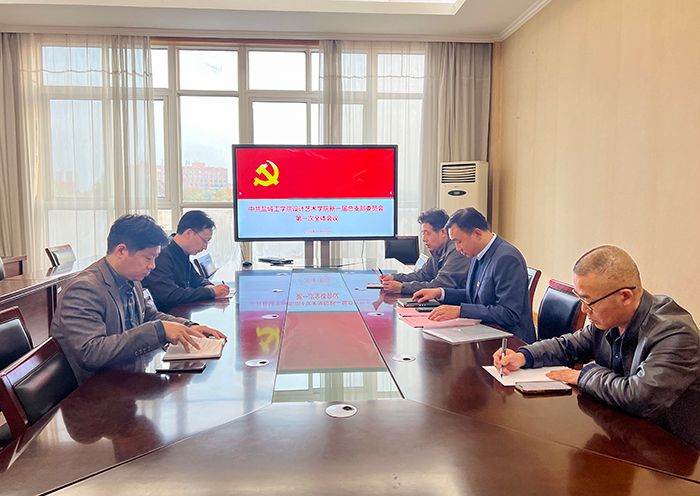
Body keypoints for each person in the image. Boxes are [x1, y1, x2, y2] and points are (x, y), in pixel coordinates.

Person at [494, 245, 700, 449]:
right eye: (580, 299)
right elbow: (569, 346)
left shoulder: (675, 333)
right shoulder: (610, 319)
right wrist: (524, 356)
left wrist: (585, 375)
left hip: (672, 453)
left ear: (625, 296)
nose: (584, 310)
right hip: (621, 433)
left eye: (589, 302)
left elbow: (639, 397)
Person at [50, 214, 226, 384]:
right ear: (121, 250)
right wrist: (159, 330)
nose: (152, 266)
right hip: (98, 389)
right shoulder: (84, 289)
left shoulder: (131, 278)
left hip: (128, 376)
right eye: (148, 258)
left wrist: (188, 327)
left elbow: (149, 315)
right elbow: (91, 353)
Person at [414, 207, 535, 343]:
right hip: (485, 331)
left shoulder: (506, 258)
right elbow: (474, 295)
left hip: (510, 341)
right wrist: (440, 293)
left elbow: (508, 313)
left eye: (459, 241)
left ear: (477, 234)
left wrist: (461, 311)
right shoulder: (477, 254)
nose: (457, 248)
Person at [143, 210, 230, 311]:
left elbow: (196, 279)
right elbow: (170, 295)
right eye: (204, 241)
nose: (205, 247)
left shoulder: (182, 252)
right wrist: (211, 292)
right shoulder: (161, 254)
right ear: (189, 233)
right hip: (166, 314)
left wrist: (208, 285)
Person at [379, 208, 470, 294]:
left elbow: (439, 285)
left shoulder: (457, 251)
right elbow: (422, 275)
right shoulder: (438, 250)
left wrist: (402, 287)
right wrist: (394, 277)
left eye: (427, 233)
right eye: (423, 234)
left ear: (443, 232)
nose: (424, 239)